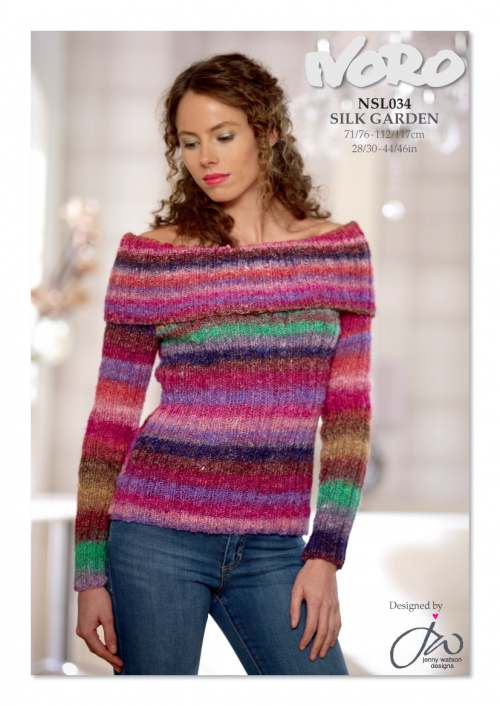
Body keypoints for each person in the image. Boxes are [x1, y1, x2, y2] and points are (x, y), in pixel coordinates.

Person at [73, 52, 376, 675]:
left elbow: (348, 420)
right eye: (189, 142)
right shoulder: (151, 259)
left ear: (267, 132)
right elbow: (109, 424)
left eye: (223, 135)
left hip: (275, 547)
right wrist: (89, 574)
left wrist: (326, 553)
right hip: (153, 538)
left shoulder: (337, 252)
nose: (206, 157)